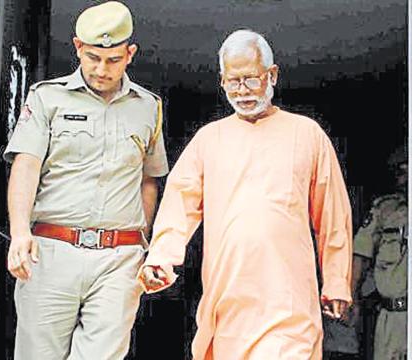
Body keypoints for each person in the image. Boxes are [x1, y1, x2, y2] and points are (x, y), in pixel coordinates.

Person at [138, 29, 353, 359]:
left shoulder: (307, 135)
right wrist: (161, 257)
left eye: (251, 79)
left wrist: (337, 280)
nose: (242, 91)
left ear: (272, 75)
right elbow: (179, 205)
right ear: (222, 81)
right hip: (227, 303)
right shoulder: (209, 140)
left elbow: (333, 216)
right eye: (232, 81)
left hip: (289, 302)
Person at [3, 2, 168, 359]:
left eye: (112, 59)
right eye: (93, 57)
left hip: (118, 257)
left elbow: (148, 180)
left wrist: (143, 242)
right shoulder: (47, 97)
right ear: (78, 47)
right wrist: (19, 232)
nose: (101, 69)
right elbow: (26, 166)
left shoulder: (148, 107)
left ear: (130, 54)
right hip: (51, 250)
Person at [352, 145, 412, 359]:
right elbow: (361, 254)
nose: (402, 178)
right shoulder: (385, 210)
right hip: (390, 317)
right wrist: (352, 297)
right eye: (398, 171)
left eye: (406, 170)